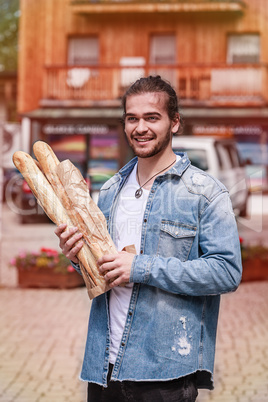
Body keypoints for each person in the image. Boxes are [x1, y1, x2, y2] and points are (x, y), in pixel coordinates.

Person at [55, 75, 242, 402]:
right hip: (103, 368)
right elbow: (102, 273)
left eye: (151, 117)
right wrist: (77, 256)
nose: (140, 127)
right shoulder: (111, 191)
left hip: (163, 372)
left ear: (175, 123)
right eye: (132, 118)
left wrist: (141, 267)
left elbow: (226, 272)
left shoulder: (205, 193)